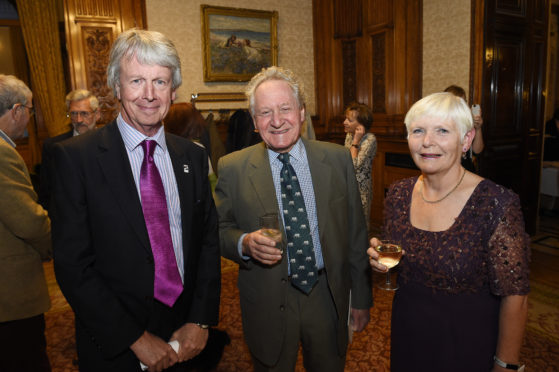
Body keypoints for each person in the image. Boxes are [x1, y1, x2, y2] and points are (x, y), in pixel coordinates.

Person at [51, 29, 220, 372]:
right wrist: (134, 338)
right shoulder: (76, 159)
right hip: (114, 344)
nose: (149, 95)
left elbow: (207, 242)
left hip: (185, 336)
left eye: (160, 82)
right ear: (116, 86)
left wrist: (200, 321)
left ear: (173, 89)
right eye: (137, 81)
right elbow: (73, 266)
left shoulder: (192, 156)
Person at [215, 66, 372, 372]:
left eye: (285, 109)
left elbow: (355, 232)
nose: (276, 121)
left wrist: (362, 297)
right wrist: (244, 243)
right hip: (267, 298)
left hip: (327, 296)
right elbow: (218, 230)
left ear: (301, 112)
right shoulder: (232, 167)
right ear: (254, 121)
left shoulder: (338, 159)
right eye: (265, 113)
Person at [367, 92, 530, 372]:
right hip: (409, 332)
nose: (427, 141)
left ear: (466, 140)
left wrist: (506, 364)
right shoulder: (398, 193)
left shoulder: (495, 203)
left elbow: (515, 295)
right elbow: (400, 263)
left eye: (442, 130)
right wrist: (380, 264)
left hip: (466, 342)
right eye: (418, 131)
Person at [0, 74, 52, 371]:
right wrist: (59, 244)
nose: (29, 119)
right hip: (10, 296)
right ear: (17, 110)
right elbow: (29, 222)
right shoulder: (2, 152)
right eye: (30, 111)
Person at [39, 89, 101, 209]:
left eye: (84, 113)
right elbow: (46, 192)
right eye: (73, 114)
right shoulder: (53, 146)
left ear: (97, 114)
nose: (78, 120)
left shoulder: (110, 143)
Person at [343, 102, 377, 229]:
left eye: (349, 120)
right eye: (345, 118)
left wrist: (356, 141)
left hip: (361, 190)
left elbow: (353, 165)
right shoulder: (348, 136)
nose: (344, 122)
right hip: (347, 186)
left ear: (361, 125)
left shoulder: (370, 139)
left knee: (360, 226)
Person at [444, 85, 484, 172]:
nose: (464, 105)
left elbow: (477, 151)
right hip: (449, 173)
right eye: (459, 102)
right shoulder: (441, 123)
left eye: (464, 101)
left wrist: (478, 128)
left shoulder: (467, 122)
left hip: (468, 171)